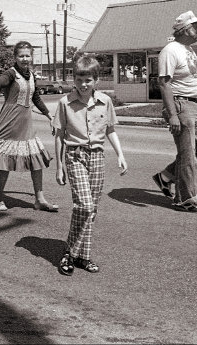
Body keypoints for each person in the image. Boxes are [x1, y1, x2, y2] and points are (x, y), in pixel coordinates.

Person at [53, 53, 127, 276]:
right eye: (78, 80)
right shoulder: (65, 103)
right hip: (75, 155)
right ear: (73, 79)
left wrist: (120, 155)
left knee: (91, 210)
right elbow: (58, 135)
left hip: (97, 156)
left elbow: (110, 130)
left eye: (88, 80)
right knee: (83, 205)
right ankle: (68, 252)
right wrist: (59, 166)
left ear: (96, 80)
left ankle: (83, 256)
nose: (83, 84)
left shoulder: (105, 101)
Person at [0, 40, 58, 212]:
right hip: (10, 122)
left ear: (32, 57)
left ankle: (40, 199)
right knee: (5, 161)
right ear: (15, 57)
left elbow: (36, 98)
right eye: (21, 55)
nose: (24, 59)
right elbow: (0, 83)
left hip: (26, 123)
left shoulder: (32, 75)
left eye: (27, 55)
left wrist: (49, 115)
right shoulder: (11, 73)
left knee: (36, 160)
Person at [152, 10, 197, 214]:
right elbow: (164, 83)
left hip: (195, 105)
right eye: (196, 26)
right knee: (187, 154)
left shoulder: (188, 49)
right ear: (186, 29)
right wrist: (173, 115)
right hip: (181, 105)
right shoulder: (171, 50)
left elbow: (194, 79)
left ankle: (166, 176)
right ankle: (185, 199)